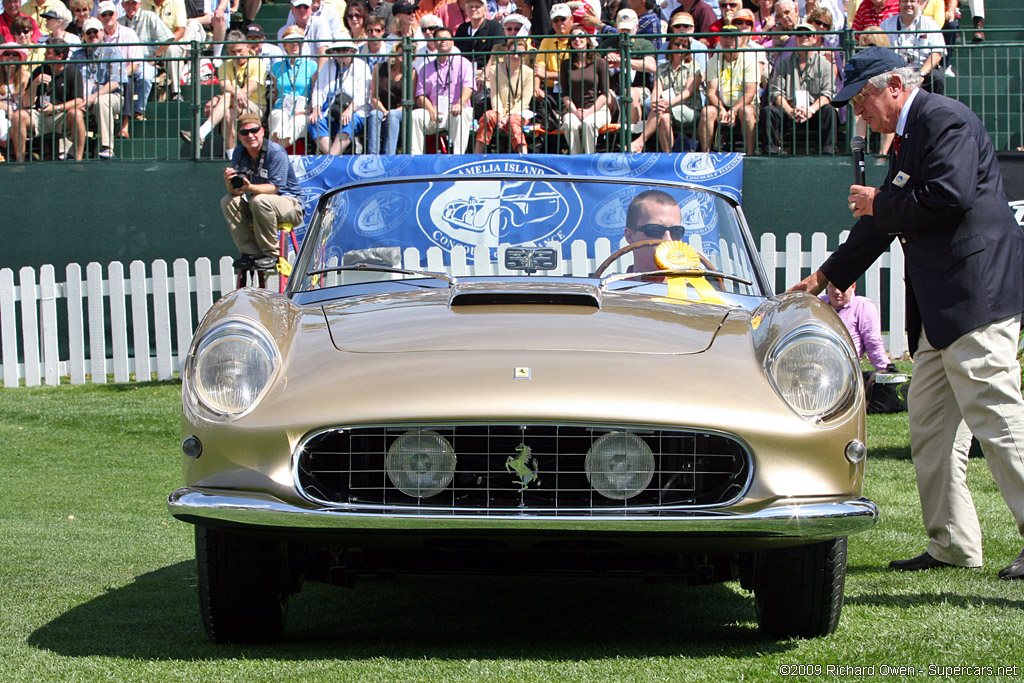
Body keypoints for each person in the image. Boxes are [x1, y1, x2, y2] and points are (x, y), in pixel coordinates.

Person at [789, 47, 1024, 580]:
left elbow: (949, 196)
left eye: (862, 99)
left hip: (975, 298)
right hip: (944, 310)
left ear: (894, 84)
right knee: (930, 432)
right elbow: (880, 226)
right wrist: (825, 277)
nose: (858, 112)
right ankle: (953, 545)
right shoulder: (910, 136)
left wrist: (880, 201)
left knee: (1001, 423)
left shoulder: (944, 119)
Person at [221, 112, 305, 273]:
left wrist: (249, 187)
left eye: (254, 130)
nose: (250, 135)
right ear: (239, 136)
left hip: (290, 204)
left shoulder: (276, 152)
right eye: (245, 132)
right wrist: (230, 183)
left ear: (262, 131)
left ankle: (271, 255)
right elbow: (236, 191)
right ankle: (250, 253)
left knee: (259, 200)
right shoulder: (239, 153)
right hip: (260, 206)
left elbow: (274, 188)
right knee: (228, 200)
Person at [180, 31, 266, 152]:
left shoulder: (258, 64)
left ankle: (201, 132)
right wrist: (233, 92)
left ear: (247, 46)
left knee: (227, 97)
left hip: (256, 107)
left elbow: (246, 92)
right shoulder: (226, 65)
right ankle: (231, 156)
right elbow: (224, 85)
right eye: (233, 52)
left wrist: (217, 99)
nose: (237, 55)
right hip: (233, 104)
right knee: (227, 113)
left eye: (240, 50)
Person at [764, 21, 836, 154]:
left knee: (829, 111)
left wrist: (811, 110)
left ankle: (828, 151)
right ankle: (771, 151)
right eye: (799, 34)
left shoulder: (825, 65)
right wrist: (790, 110)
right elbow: (776, 92)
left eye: (807, 34)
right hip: (789, 111)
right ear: (795, 39)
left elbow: (828, 94)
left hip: (814, 112)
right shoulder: (783, 64)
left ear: (815, 38)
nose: (803, 37)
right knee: (770, 111)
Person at [598, 8, 656, 154]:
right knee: (602, 98)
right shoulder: (608, 44)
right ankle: (606, 142)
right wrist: (605, 61)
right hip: (613, 90)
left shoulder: (644, 44)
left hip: (640, 89)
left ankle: (631, 139)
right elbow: (594, 66)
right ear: (616, 28)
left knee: (630, 93)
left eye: (629, 30)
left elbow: (651, 66)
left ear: (636, 27)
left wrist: (624, 61)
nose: (626, 34)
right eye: (622, 30)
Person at [410, 25, 474, 154]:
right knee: (415, 115)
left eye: (446, 38)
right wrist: (430, 109)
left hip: (456, 109)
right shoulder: (425, 68)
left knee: (459, 116)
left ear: (452, 41)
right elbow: (420, 95)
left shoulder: (464, 63)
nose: (443, 41)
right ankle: (415, 158)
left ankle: (458, 158)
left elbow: (469, 86)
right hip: (433, 111)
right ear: (434, 42)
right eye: (439, 39)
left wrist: (460, 103)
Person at [697, 25, 757, 154]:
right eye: (725, 37)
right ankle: (704, 154)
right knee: (707, 112)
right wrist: (722, 109)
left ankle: (750, 154)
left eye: (732, 37)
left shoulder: (750, 59)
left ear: (740, 39)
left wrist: (734, 110)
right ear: (720, 40)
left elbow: (750, 93)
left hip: (745, 104)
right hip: (721, 103)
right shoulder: (714, 61)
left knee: (747, 111)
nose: (728, 40)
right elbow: (711, 92)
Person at [74, 18, 127, 158]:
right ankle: (68, 151)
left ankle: (108, 148)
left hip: (111, 96)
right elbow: (71, 80)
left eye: (95, 31)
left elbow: (115, 82)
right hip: (83, 97)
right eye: (88, 32)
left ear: (102, 32)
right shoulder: (76, 55)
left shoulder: (113, 51)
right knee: (71, 106)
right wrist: (80, 99)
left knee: (102, 101)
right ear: (83, 35)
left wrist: (92, 98)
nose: (93, 35)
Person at [642, 30, 702, 153]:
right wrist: (654, 101)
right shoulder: (662, 68)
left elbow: (689, 91)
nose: (680, 48)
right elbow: (656, 89)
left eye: (685, 46)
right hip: (666, 108)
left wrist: (669, 102)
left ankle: (640, 141)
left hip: (689, 109)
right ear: (670, 46)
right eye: (677, 44)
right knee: (663, 117)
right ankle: (669, 156)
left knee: (661, 108)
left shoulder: (693, 65)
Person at [473, 37, 532, 153]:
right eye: (512, 52)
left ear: (524, 56)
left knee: (513, 121)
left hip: (519, 111)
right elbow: (495, 95)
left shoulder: (529, 73)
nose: (515, 56)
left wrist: (507, 115)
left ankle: (524, 157)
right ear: (506, 52)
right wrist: (500, 114)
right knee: (487, 116)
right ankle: (477, 154)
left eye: (520, 54)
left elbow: (524, 101)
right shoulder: (495, 70)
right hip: (499, 109)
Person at [119, 0, 174, 122]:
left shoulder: (149, 16)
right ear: (123, 5)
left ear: (140, 4)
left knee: (145, 77)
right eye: (127, 3)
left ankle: (139, 110)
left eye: (134, 3)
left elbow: (169, 38)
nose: (131, 6)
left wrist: (155, 56)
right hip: (124, 63)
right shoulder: (119, 22)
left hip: (145, 61)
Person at [558, 28, 609, 155]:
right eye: (573, 38)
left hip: (598, 109)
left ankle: (589, 159)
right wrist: (575, 111)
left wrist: (589, 111)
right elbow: (565, 94)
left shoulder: (600, 62)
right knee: (569, 123)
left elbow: (605, 94)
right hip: (575, 110)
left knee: (589, 123)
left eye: (581, 36)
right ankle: (576, 159)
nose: (577, 40)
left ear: (587, 39)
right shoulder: (566, 64)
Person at [822, 281, 893, 372]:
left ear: (853, 287)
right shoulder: (818, 303)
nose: (836, 291)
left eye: (842, 287)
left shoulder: (862, 306)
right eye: (832, 286)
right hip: (815, 365)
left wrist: (885, 369)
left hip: (845, 369)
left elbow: (872, 342)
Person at [880, 0, 945, 95]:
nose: (909, 4)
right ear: (899, 4)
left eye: (912, 1)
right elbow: (880, 51)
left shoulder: (931, 24)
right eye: (905, 1)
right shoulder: (886, 25)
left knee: (936, 77)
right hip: (895, 71)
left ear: (919, 3)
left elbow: (937, 53)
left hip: (922, 71)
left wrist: (921, 74)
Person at [268, 25, 316, 149]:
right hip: (281, 108)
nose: (295, 44)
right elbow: (276, 92)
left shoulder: (311, 66)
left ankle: (273, 153)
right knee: (278, 117)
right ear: (284, 45)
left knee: (297, 122)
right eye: (290, 41)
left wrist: (307, 110)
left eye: (298, 41)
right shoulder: (277, 67)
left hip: (303, 110)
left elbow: (315, 92)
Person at [623, 189, 685, 275]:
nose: (668, 240)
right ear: (629, 236)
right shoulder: (609, 287)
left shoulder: (696, 287)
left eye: (676, 231)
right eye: (655, 230)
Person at [367, 43, 413, 153]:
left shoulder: (411, 71)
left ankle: (389, 155)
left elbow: (410, 101)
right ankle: (373, 156)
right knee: (374, 114)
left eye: (407, 52)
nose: (403, 54)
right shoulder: (378, 68)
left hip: (401, 111)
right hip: (382, 108)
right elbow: (373, 96)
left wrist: (391, 113)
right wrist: (385, 111)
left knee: (393, 115)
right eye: (401, 51)